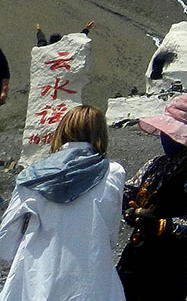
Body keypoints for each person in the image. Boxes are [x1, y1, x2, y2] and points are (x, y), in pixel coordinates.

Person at [0, 105, 125, 300]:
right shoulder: (114, 172)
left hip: (40, 276)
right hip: (94, 275)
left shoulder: (33, 177)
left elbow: (5, 237)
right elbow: (111, 231)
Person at [118, 93, 187, 301]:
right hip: (137, 252)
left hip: (170, 259)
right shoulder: (155, 163)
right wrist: (126, 207)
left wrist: (162, 225)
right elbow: (130, 189)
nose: (165, 137)